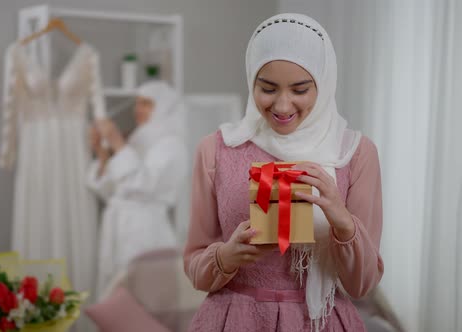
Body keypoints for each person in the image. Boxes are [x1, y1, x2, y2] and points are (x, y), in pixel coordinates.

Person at [184, 13, 384, 331]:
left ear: (324, 82)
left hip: (318, 320)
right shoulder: (217, 148)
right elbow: (194, 266)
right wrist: (225, 257)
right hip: (234, 319)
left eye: (300, 90)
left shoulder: (355, 153)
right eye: (268, 88)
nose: (282, 105)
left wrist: (343, 222)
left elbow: (363, 284)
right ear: (251, 82)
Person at [88, 80, 188, 299]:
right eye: (137, 104)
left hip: (145, 231)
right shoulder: (139, 140)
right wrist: (101, 152)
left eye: (146, 104)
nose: (138, 110)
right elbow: (111, 190)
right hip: (121, 226)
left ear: (164, 107)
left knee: (143, 299)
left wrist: (116, 143)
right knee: (115, 299)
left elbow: (144, 186)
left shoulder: (172, 145)